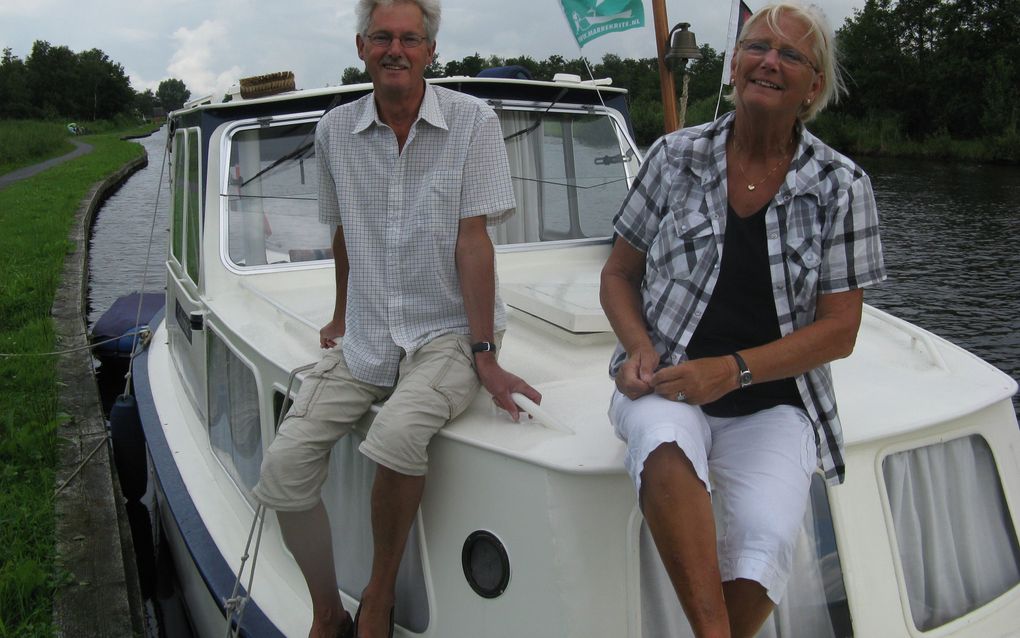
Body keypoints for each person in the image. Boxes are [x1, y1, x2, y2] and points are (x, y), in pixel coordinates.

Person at [253, 1, 541, 637]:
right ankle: (327, 612)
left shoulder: (473, 122)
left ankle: (378, 599)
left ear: (430, 52)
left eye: (410, 38)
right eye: (382, 36)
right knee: (283, 470)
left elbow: (474, 241)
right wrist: (337, 315)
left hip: (448, 330)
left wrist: (484, 352)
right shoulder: (334, 132)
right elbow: (343, 234)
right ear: (361, 47)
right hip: (369, 328)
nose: (396, 49)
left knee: (396, 437)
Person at [599, 3, 885, 636]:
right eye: (757, 46)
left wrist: (733, 371)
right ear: (734, 63)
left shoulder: (842, 186)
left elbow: (841, 328)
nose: (768, 62)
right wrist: (639, 345)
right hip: (666, 379)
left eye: (790, 55)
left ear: (814, 86)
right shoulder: (674, 157)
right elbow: (618, 273)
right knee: (664, 443)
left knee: (767, 536)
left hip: (774, 401)